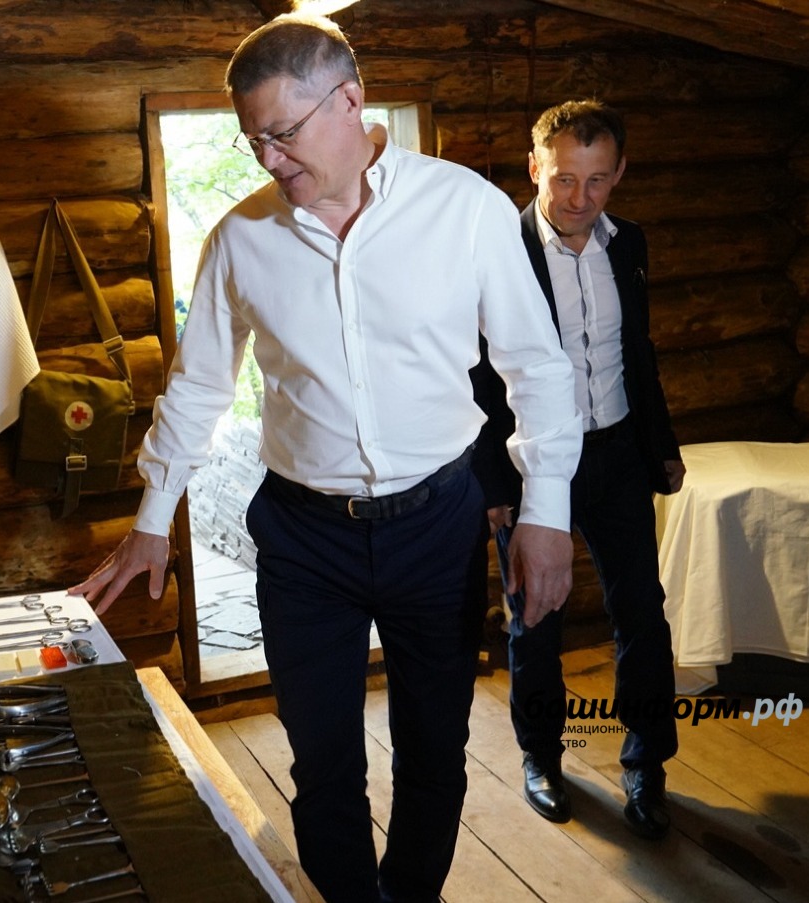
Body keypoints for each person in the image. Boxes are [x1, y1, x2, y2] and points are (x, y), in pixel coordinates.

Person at [70, 14, 582, 902]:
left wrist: (547, 513)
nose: (268, 159)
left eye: (283, 133)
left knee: (436, 747)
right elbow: (196, 391)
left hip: (438, 525)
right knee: (321, 761)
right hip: (303, 541)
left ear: (350, 100)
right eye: (253, 141)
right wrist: (151, 521)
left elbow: (536, 368)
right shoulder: (239, 239)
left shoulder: (464, 209)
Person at [471, 99, 685, 841]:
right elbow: (478, 374)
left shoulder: (631, 244)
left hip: (619, 453)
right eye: (564, 178)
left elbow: (637, 351)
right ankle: (541, 757)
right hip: (534, 466)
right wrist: (495, 484)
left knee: (643, 613)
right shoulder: (499, 252)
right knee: (536, 618)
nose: (579, 198)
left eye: (597, 180)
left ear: (619, 173)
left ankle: (647, 764)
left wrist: (660, 443)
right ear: (534, 167)